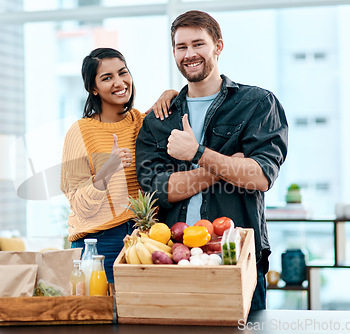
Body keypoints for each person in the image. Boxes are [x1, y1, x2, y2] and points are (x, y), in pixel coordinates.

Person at [135, 10, 288, 310]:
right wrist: (226, 166)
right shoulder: (159, 119)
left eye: (198, 44)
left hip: (235, 258)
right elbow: (158, 190)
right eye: (181, 47)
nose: (189, 54)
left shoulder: (256, 104)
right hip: (171, 258)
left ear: (218, 46)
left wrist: (197, 154)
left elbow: (259, 177)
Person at [60, 48, 175, 283]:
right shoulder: (80, 132)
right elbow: (80, 206)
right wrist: (107, 171)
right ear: (93, 88)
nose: (119, 82)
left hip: (146, 236)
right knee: (102, 317)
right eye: (107, 78)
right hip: (99, 243)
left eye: (123, 73)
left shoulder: (143, 123)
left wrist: (171, 93)